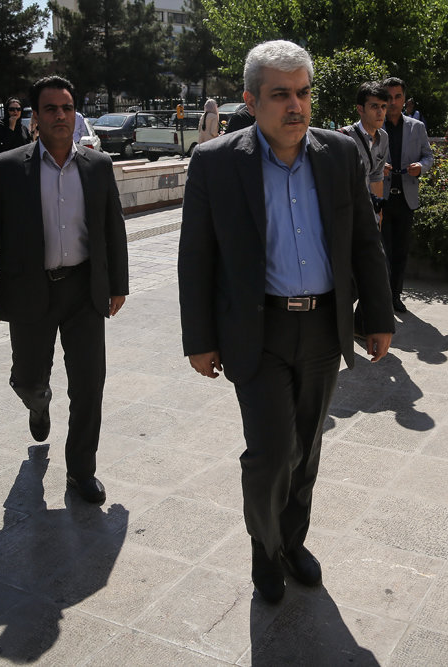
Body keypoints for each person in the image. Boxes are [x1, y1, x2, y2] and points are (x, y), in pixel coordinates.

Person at [178, 40, 395, 604]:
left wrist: (377, 316)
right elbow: (196, 256)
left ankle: (292, 541)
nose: (295, 105)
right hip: (258, 332)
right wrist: (199, 339)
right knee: (271, 453)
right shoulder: (217, 162)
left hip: (323, 329)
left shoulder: (339, 154)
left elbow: (364, 242)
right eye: (280, 95)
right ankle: (265, 545)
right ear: (251, 101)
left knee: (306, 449)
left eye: (302, 93)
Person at [0, 75, 129, 505]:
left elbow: (113, 229)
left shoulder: (97, 165)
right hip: (28, 291)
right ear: (35, 118)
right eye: (51, 108)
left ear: (75, 113)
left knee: (89, 385)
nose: (61, 115)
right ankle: (38, 404)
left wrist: (118, 284)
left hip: (83, 291)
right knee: (28, 378)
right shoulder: (8, 167)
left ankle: (81, 471)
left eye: (67, 107)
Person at [381, 77, 433, 313]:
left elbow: (428, 156)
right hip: (380, 198)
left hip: (405, 197)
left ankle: (395, 296)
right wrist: (377, 167)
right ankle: (382, 297)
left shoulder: (416, 127)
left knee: (400, 251)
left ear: (405, 99)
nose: (393, 102)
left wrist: (421, 167)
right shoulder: (374, 124)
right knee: (382, 252)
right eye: (389, 97)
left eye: (397, 97)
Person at [340, 81, 390, 224]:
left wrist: (378, 217)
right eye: (374, 106)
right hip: (347, 217)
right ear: (360, 109)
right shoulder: (344, 138)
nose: (380, 112)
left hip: (368, 217)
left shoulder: (384, 138)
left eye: (383, 106)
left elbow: (377, 178)